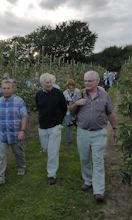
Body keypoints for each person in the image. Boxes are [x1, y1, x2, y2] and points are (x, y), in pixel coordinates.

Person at [69, 70, 118, 203]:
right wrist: (76, 104)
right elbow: (71, 111)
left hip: (99, 133)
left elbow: (109, 113)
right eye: (85, 80)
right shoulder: (79, 93)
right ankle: (88, 180)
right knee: (84, 159)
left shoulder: (104, 95)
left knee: (98, 161)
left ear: (97, 81)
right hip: (83, 132)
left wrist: (115, 128)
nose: (87, 83)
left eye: (90, 81)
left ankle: (99, 191)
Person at [0, 79, 28, 186]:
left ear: (12, 89)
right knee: (0, 156)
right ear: (1, 89)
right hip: (1, 134)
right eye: (4, 88)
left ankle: (21, 167)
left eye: (8, 88)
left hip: (15, 133)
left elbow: (24, 116)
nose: (6, 90)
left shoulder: (19, 101)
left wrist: (22, 130)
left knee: (18, 152)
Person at [35, 73, 67, 185]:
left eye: (50, 82)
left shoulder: (58, 93)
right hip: (43, 126)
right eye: (46, 83)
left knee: (53, 151)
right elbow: (39, 107)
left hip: (55, 126)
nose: (49, 84)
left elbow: (64, 107)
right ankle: (53, 163)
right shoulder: (38, 94)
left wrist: (59, 121)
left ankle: (51, 175)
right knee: (46, 149)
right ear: (42, 84)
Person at [63, 79, 80, 144]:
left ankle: (80, 138)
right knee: (67, 125)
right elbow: (64, 102)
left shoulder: (78, 91)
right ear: (68, 86)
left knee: (78, 125)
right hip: (68, 112)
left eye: (72, 85)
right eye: (69, 85)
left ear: (74, 85)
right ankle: (68, 140)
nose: (71, 87)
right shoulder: (65, 93)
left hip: (76, 111)